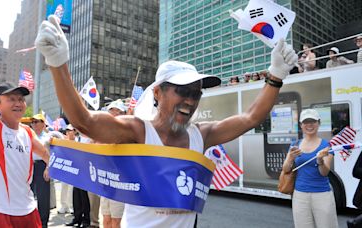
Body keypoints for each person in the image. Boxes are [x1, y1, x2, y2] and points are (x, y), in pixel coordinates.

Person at [35, 15, 297, 227]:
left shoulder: (200, 135)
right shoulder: (137, 130)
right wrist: (58, 64)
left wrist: (275, 77)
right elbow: (85, 121)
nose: (190, 100)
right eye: (182, 91)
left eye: (195, 93)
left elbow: (250, 117)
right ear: (158, 93)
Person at [0, 30, 50, 227]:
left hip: (28, 210)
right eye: (11, 99)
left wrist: (50, 164)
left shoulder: (28, 133)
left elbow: (48, 154)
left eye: (21, 99)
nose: (18, 103)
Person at [282, 109, 338, 228]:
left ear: (319, 123)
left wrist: (320, 161)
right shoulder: (295, 145)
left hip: (322, 195)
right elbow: (286, 169)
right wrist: (290, 158)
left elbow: (324, 173)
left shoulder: (327, 146)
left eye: (313, 121)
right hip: (300, 195)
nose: (309, 125)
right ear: (301, 125)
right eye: (306, 122)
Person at [100, 100, 126, 228]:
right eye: (111, 111)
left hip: (120, 184)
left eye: (117, 111)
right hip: (105, 182)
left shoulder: (128, 133)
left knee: (116, 221)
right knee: (106, 220)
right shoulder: (103, 133)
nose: (114, 114)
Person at [66, 127, 91, 228]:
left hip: (85, 171)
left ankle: (86, 220)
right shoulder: (76, 139)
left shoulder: (90, 139)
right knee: (76, 196)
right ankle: (77, 218)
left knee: (84, 197)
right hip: (76, 171)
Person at [30, 114, 51, 228]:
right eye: (33, 122)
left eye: (37, 122)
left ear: (43, 124)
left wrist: (48, 168)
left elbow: (52, 155)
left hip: (42, 166)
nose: (34, 124)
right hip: (29, 166)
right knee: (27, 194)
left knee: (43, 197)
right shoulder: (28, 136)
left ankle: (43, 223)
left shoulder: (48, 137)